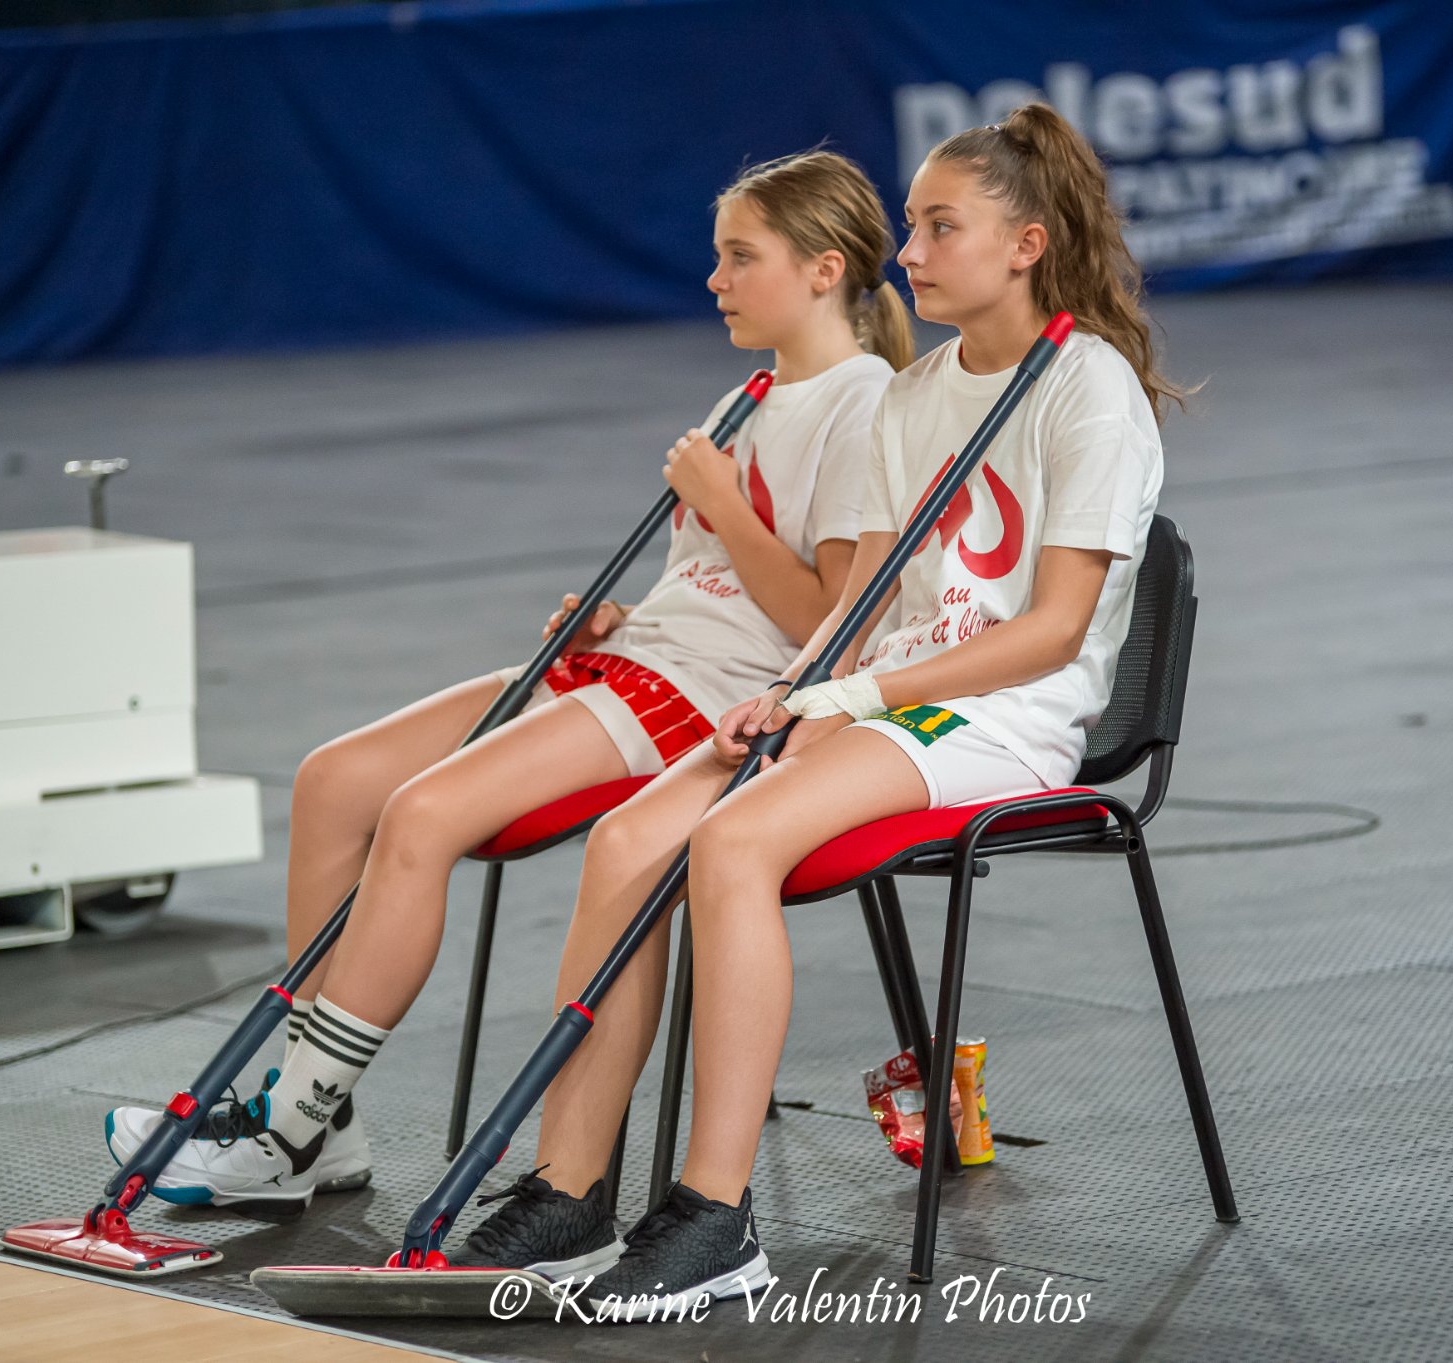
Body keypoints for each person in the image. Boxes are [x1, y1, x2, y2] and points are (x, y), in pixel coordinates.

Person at [103, 151, 912, 1287]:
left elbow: (826, 619)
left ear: (824, 270)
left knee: (420, 813)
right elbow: (712, 585)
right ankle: (318, 1130)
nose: (714, 278)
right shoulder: (751, 394)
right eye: (719, 254)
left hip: (697, 700)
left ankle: (288, 1120)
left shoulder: (863, 401)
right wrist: (619, 612)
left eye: (741, 256)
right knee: (333, 779)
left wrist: (723, 507)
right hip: (640, 657)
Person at [486, 101, 1191, 1318]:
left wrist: (855, 693)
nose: (905, 254)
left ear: (1024, 244)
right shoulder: (910, 400)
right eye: (909, 227)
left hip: (1002, 718)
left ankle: (713, 1214)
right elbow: (858, 601)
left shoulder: (1090, 391)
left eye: (936, 226)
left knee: (732, 838)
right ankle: (567, 1191)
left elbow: (1052, 631)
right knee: (625, 840)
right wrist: (790, 693)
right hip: (878, 701)